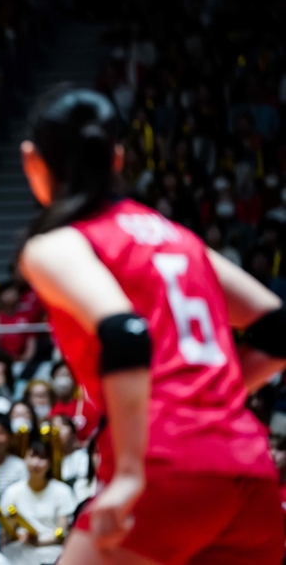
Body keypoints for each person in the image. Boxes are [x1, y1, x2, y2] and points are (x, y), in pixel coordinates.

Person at [16, 85, 286, 564]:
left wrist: (130, 475)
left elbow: (125, 331)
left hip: (166, 473)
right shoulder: (177, 237)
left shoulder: (57, 245)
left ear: (32, 159)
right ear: (117, 157)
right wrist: (212, 399)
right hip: (251, 473)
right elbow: (277, 327)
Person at [0, 441, 76, 565]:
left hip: (52, 549)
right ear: (24, 459)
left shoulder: (62, 491)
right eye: (32, 456)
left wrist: (39, 542)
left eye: (41, 458)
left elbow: (63, 531)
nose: (35, 463)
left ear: (50, 463)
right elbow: (6, 530)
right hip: (20, 549)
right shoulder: (12, 491)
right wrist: (18, 536)